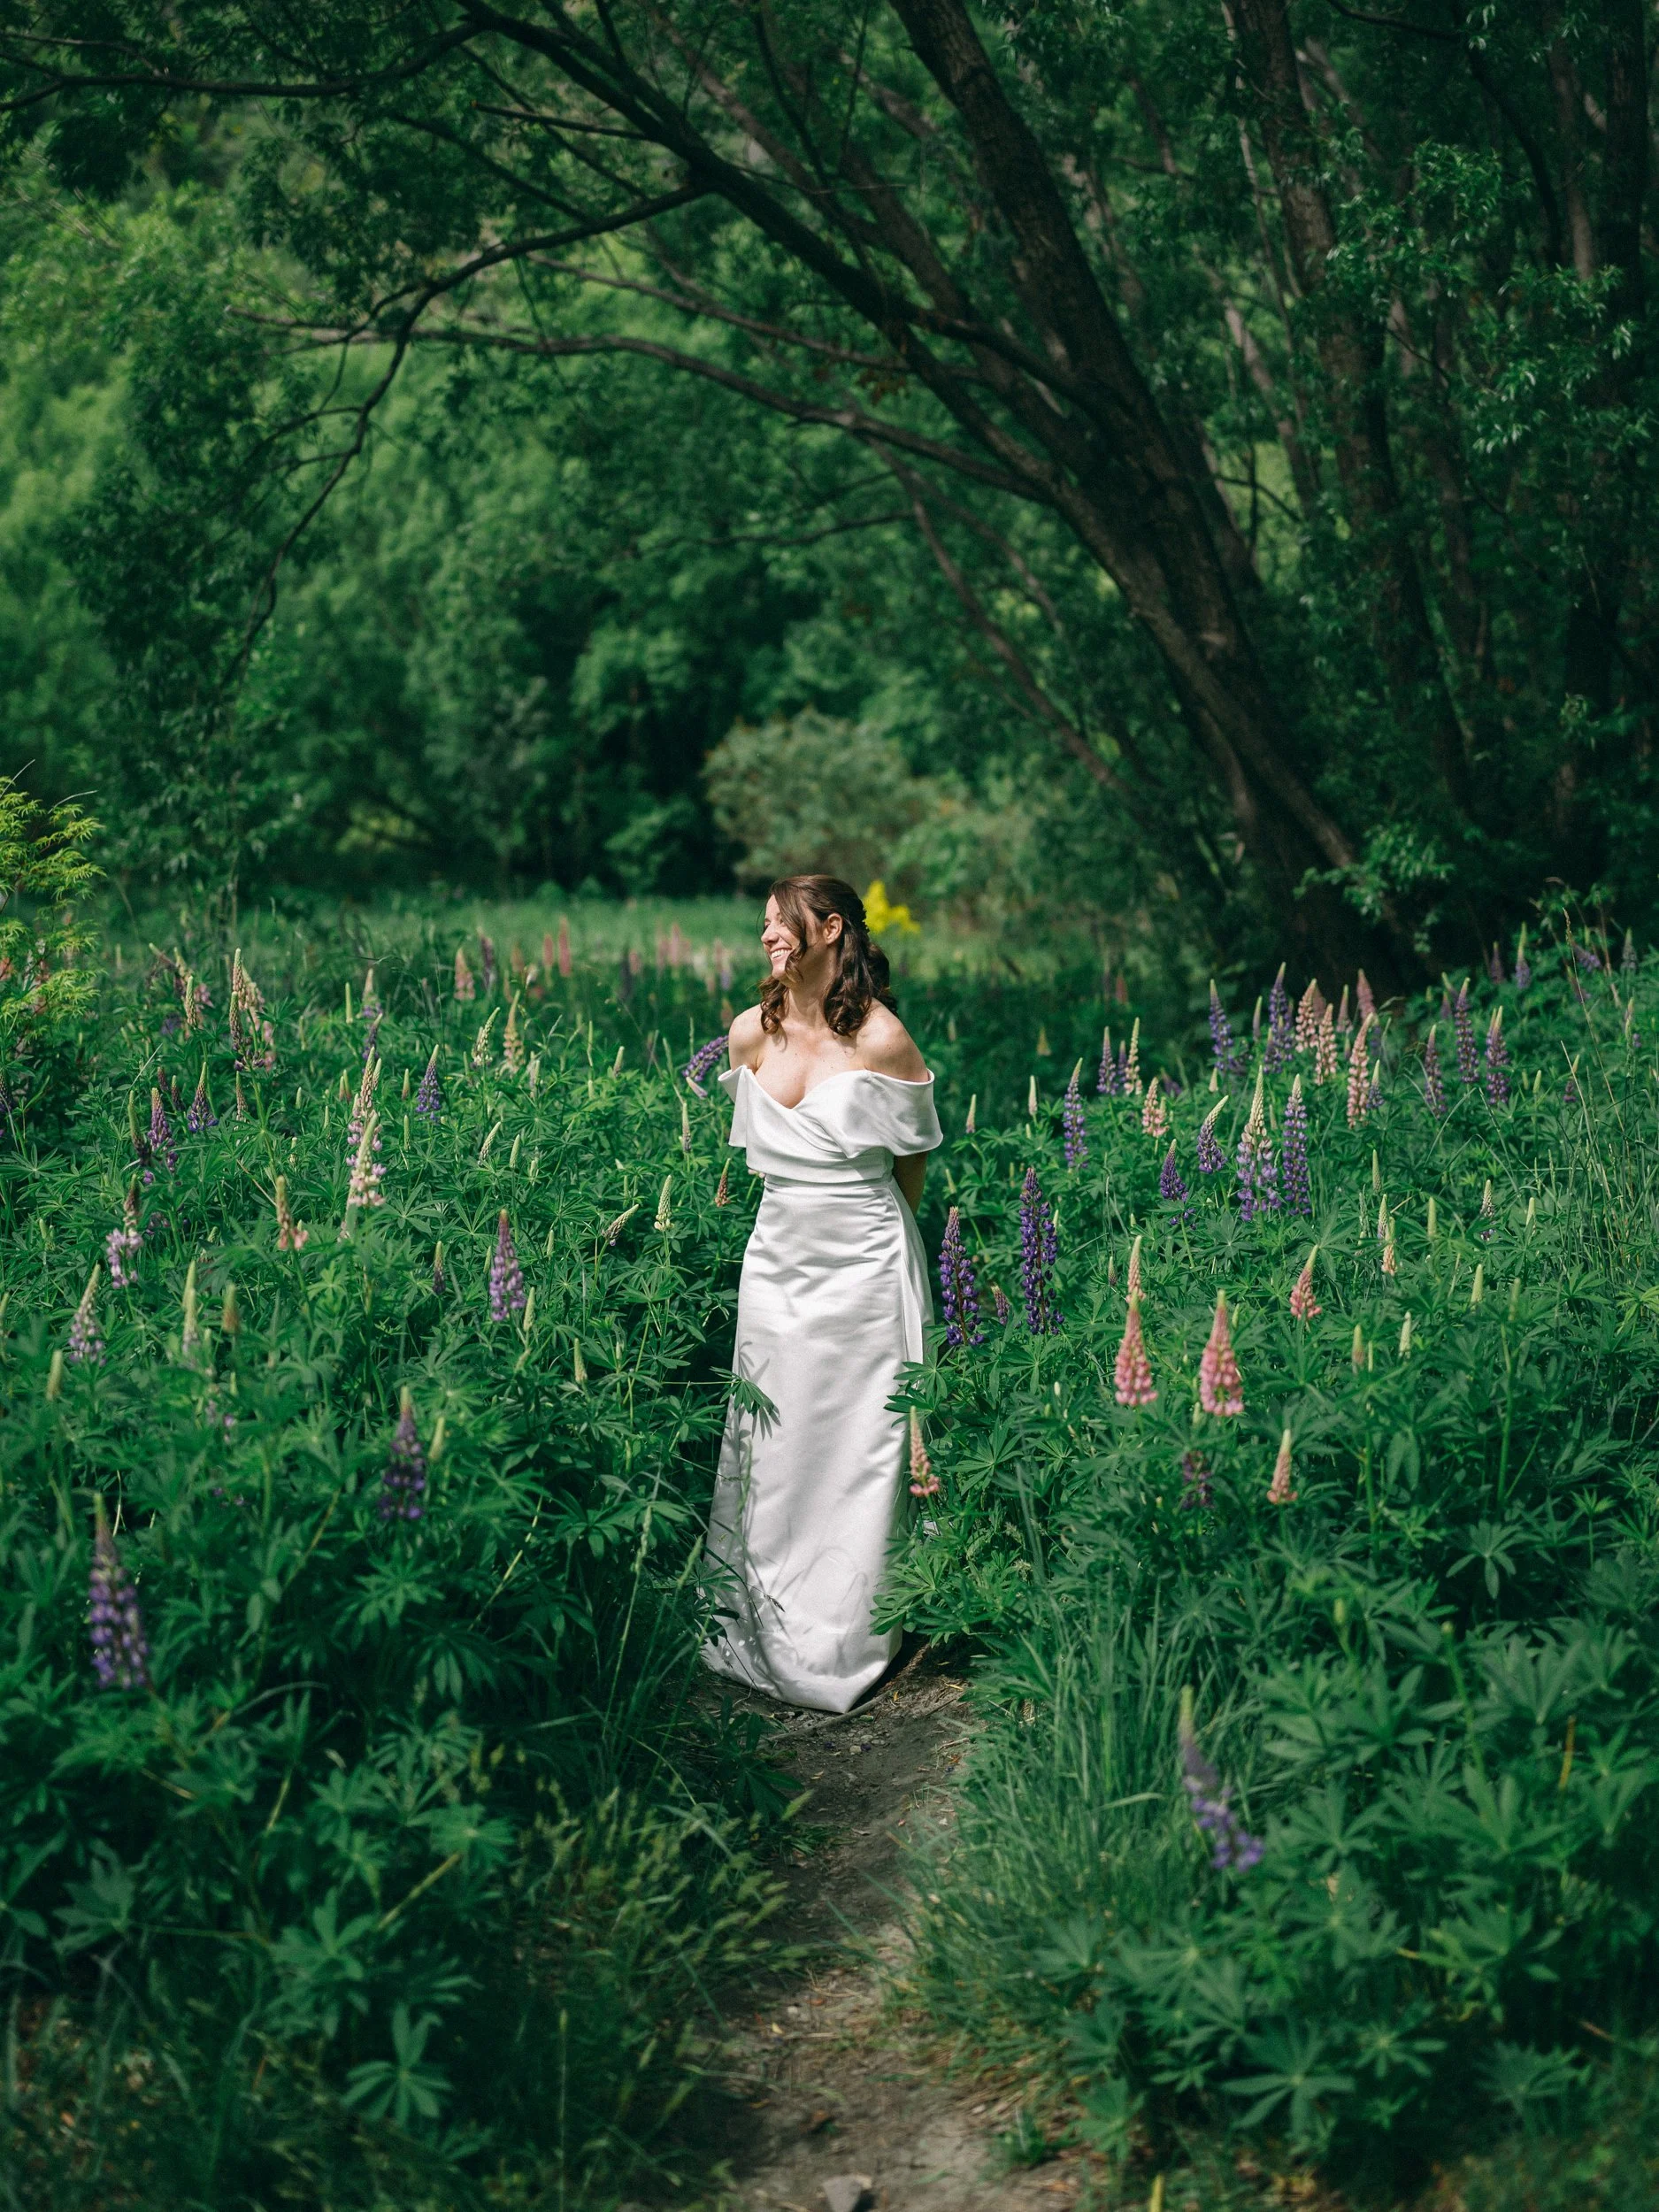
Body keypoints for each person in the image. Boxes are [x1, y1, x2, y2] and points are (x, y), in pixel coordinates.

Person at [703, 875, 942, 1713]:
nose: (767, 936)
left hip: (864, 1264)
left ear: (830, 929)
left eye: (782, 925)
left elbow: (907, 1167)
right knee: (772, 1439)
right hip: (775, 1261)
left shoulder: (881, 1040)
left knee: (857, 1447)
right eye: (763, 924)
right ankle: (760, 1616)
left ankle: (844, 1631)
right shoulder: (748, 1035)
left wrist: (870, 1249)